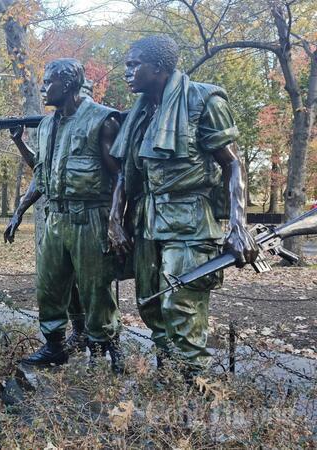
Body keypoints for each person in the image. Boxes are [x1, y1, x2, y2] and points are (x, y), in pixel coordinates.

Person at [108, 35, 258, 376]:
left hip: (189, 221)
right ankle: (171, 382)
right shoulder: (140, 112)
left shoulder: (203, 99)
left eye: (134, 65)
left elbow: (233, 164)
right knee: (151, 306)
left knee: (181, 306)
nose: (127, 73)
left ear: (158, 67)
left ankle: (195, 392)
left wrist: (238, 225)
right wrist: (115, 221)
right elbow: (125, 173)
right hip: (147, 222)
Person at [9, 59, 124, 371]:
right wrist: (19, 211)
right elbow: (42, 175)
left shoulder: (102, 120)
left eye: (50, 82)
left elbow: (121, 177)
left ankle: (108, 349)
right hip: (56, 219)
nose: (44, 88)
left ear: (69, 85)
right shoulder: (47, 125)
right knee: (48, 286)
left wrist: (116, 221)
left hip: (90, 218)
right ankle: (55, 346)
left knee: (94, 288)